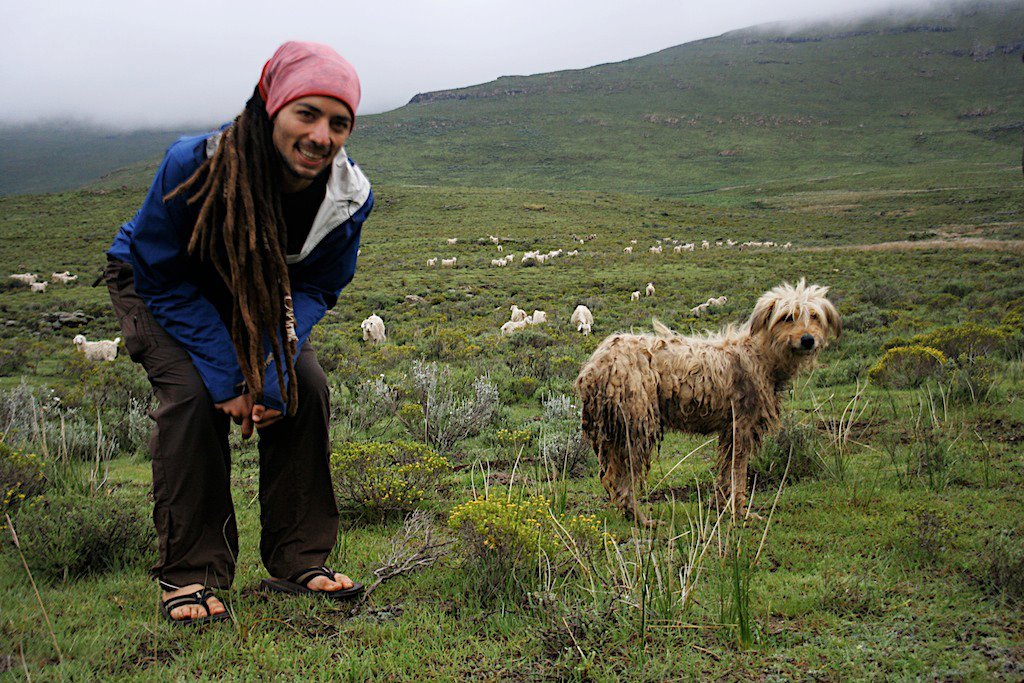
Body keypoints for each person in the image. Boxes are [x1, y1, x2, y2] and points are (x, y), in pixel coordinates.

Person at [104, 41, 373, 625]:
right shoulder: (195, 164)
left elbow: (317, 286)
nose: (322, 135)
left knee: (302, 385)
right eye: (307, 114)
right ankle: (192, 574)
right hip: (157, 282)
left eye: (339, 122)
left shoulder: (348, 198)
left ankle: (299, 558)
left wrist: (274, 371)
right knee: (194, 395)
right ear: (271, 106)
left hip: (258, 295)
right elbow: (162, 275)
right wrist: (229, 377)